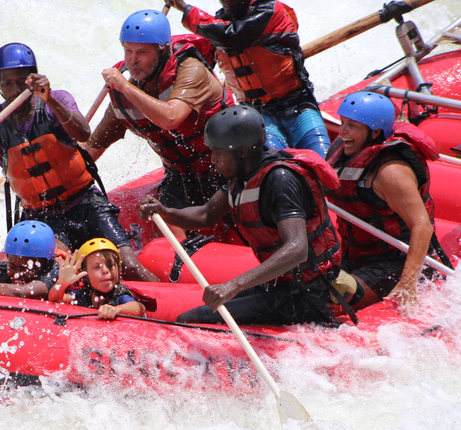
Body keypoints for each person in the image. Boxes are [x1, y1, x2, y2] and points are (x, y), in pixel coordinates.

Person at [0, 42, 158, 282]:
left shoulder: (55, 102)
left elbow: (83, 133)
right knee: (55, 275)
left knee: (128, 265)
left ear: (33, 80)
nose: (15, 90)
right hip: (42, 218)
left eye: (21, 82)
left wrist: (50, 99)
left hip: (86, 203)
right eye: (7, 84)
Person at [140, 105, 355, 326]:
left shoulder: (279, 180)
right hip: (280, 286)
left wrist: (233, 285)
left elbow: (297, 249)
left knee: (190, 319)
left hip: (306, 295)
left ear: (241, 152)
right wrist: (164, 212)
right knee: (206, 309)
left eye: (218, 153)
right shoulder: (243, 175)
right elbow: (205, 215)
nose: (212, 160)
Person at [85, 9, 232, 212]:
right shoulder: (122, 96)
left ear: (162, 51)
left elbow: (171, 118)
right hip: (180, 178)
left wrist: (126, 87)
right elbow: (91, 150)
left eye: (142, 52)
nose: (133, 60)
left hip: (228, 168)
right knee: (163, 214)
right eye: (128, 51)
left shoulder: (191, 71)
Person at [325, 91, 451, 310]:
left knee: (325, 304)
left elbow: (422, 226)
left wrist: (407, 283)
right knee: (302, 292)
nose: (342, 131)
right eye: (343, 122)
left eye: (352, 125)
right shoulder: (345, 148)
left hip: (394, 263)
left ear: (374, 132)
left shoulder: (390, 172)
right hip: (355, 255)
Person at [165, 0, 331, 159]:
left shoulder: (269, 11)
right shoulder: (217, 24)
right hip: (257, 115)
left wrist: (185, 9)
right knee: (271, 165)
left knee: (323, 159)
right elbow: (198, 54)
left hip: (298, 105)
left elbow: (230, 36)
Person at [49, 238, 146, 320]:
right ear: (84, 274)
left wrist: (116, 309)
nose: (105, 270)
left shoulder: (119, 294)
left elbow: (139, 307)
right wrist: (62, 283)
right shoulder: (83, 295)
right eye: (97, 267)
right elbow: (55, 300)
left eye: (110, 265)